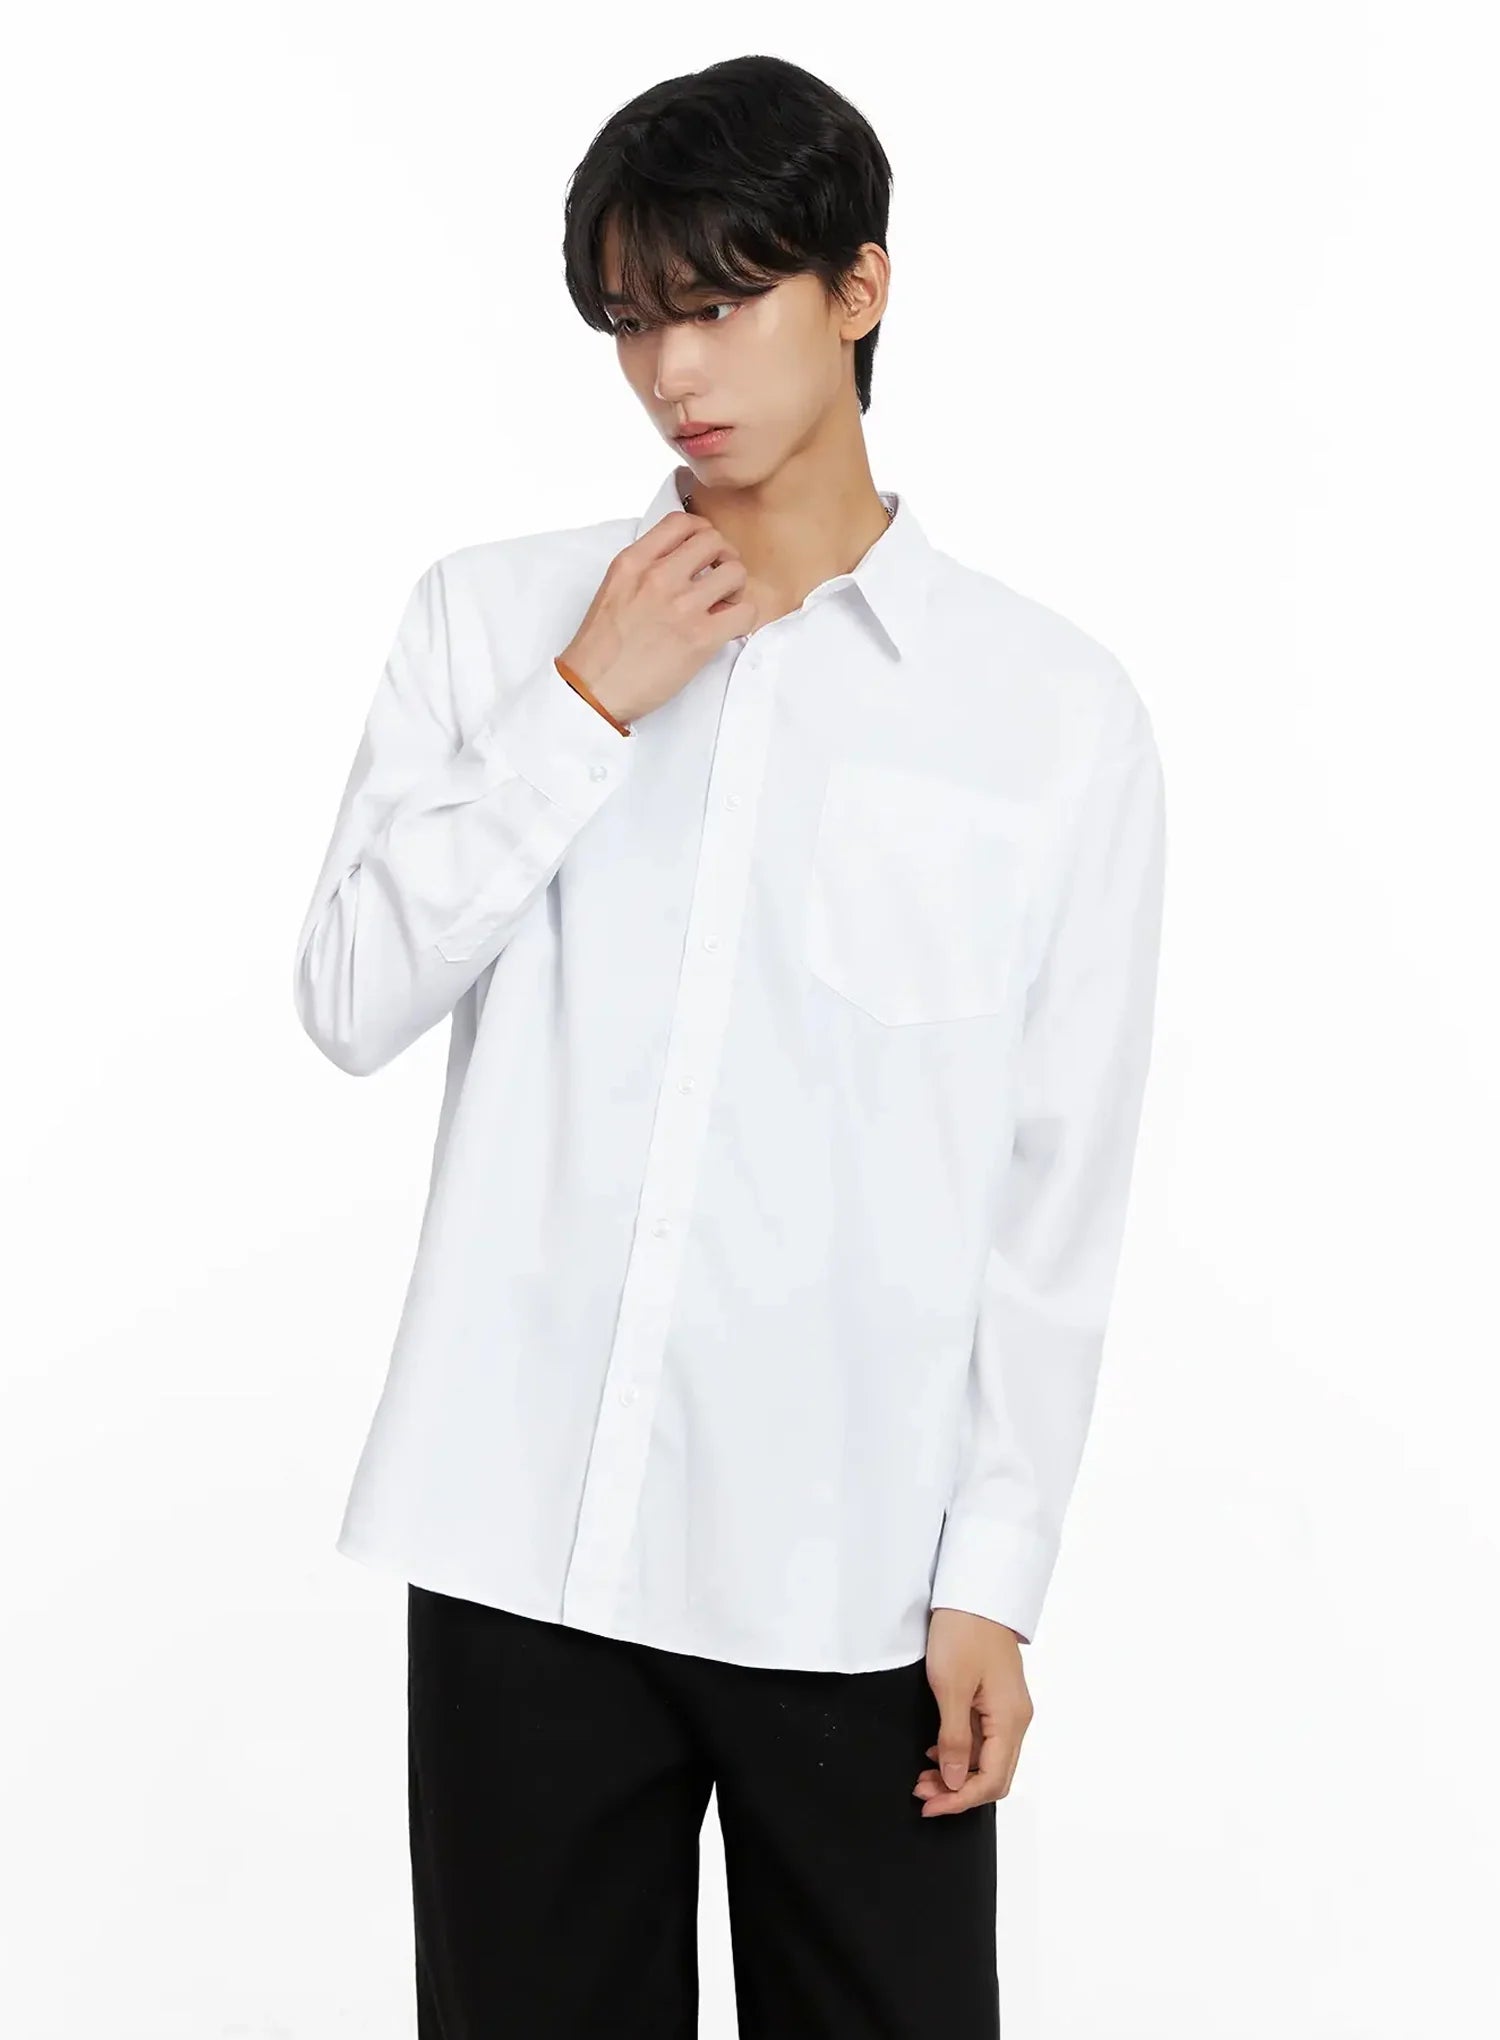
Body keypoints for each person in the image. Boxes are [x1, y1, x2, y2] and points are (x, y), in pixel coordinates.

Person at [291, 51, 1167, 2040]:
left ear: (859, 288)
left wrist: (997, 1573)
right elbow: (349, 998)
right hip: (521, 1548)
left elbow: (1058, 1188)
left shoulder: (1048, 714)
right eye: (631, 319)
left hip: (852, 1571)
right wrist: (584, 703)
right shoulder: (498, 622)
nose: (672, 368)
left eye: (719, 300)